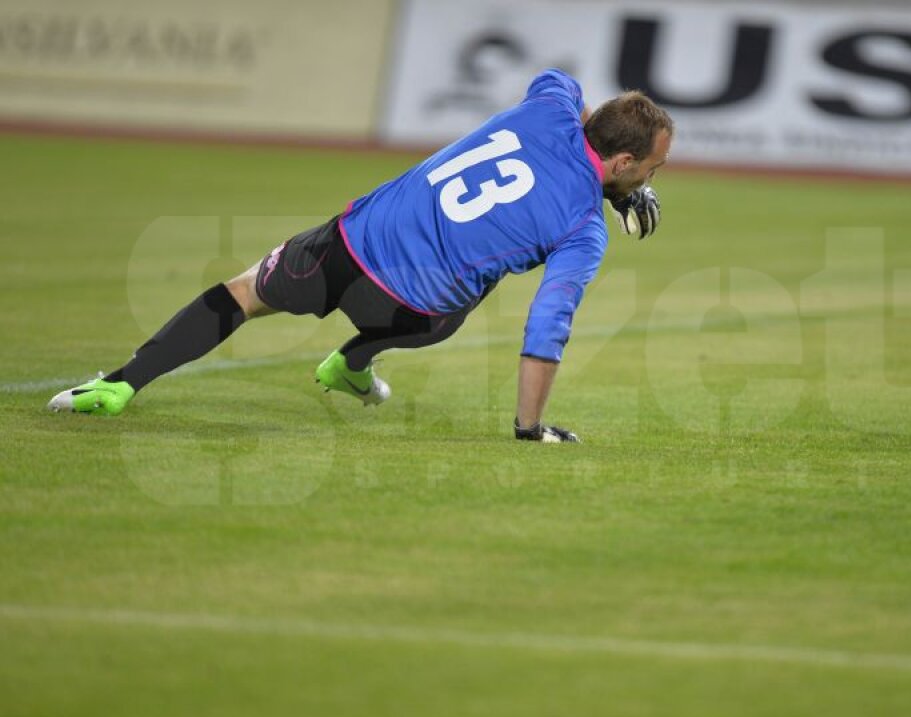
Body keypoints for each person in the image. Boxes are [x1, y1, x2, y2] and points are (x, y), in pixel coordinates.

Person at [47, 70, 673, 443]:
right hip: (411, 310)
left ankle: (117, 387)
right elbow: (546, 329)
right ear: (622, 164)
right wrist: (528, 430)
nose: (651, 179)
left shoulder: (550, 103)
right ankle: (353, 363)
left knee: (242, 295)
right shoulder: (586, 227)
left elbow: (568, 84)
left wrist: (593, 160)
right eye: (649, 169)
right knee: (470, 287)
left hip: (347, 246)